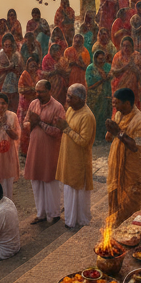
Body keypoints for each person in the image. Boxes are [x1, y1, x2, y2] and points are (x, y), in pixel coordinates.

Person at [54, 84, 96, 229]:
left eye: (71, 97)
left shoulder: (87, 116)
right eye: (67, 95)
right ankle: (70, 220)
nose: (67, 100)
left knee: (77, 192)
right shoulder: (71, 110)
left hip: (79, 161)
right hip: (68, 157)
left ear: (81, 99)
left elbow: (84, 141)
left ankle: (79, 221)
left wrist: (66, 129)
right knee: (68, 190)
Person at [105, 88, 141, 225]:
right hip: (116, 164)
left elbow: (136, 147)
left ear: (127, 104)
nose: (114, 106)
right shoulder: (119, 114)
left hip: (131, 168)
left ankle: (129, 231)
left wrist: (118, 132)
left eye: (116, 103)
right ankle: (114, 229)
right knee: (114, 199)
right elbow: (110, 138)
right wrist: (111, 131)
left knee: (130, 201)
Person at [24, 79, 65, 224]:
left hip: (50, 150)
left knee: (50, 182)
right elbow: (26, 124)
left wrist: (39, 122)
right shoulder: (33, 104)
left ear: (49, 91)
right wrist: (32, 123)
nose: (38, 94)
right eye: (37, 91)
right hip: (34, 148)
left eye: (41, 91)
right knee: (36, 181)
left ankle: (54, 214)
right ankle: (40, 213)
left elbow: (58, 131)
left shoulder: (57, 107)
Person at [85, 49, 113, 144]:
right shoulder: (90, 68)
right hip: (94, 97)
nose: (101, 61)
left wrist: (108, 77)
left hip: (106, 95)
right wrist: (102, 80)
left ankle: (104, 136)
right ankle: (94, 137)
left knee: (105, 115)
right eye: (99, 59)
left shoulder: (108, 66)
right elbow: (89, 83)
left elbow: (112, 76)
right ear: (95, 59)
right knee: (95, 115)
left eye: (103, 59)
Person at [110, 35, 141, 110]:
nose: (126, 48)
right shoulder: (117, 57)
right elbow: (114, 73)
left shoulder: (137, 56)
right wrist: (126, 67)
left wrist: (134, 68)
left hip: (133, 88)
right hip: (120, 87)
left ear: (132, 47)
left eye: (128, 46)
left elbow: (140, 75)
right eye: (124, 46)